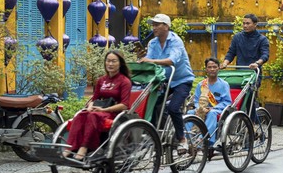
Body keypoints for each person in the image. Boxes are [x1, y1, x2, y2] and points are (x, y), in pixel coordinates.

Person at [139, 13, 195, 154]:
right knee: (150, 104)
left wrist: (149, 61)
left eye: (157, 25)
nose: (154, 28)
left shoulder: (176, 41)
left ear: (166, 26)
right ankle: (154, 135)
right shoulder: (152, 43)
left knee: (173, 108)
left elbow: (171, 61)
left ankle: (182, 139)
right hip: (165, 80)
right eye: (153, 25)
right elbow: (149, 62)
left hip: (182, 81)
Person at [63, 50, 132, 160]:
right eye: (108, 61)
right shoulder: (101, 80)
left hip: (114, 113)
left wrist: (105, 110)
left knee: (93, 116)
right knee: (81, 115)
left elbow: (124, 105)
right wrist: (90, 107)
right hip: (99, 110)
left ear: (120, 63)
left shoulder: (124, 81)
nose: (110, 64)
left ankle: (84, 147)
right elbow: (94, 99)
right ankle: (70, 147)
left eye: (114, 61)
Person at [187, 58, 232, 148]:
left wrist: (212, 108)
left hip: (216, 110)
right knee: (189, 113)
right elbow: (196, 100)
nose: (212, 69)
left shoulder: (224, 84)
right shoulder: (201, 84)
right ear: (206, 69)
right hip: (201, 109)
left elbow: (227, 101)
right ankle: (189, 140)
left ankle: (203, 140)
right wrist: (199, 108)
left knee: (211, 114)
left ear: (218, 68)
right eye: (209, 67)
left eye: (214, 67)